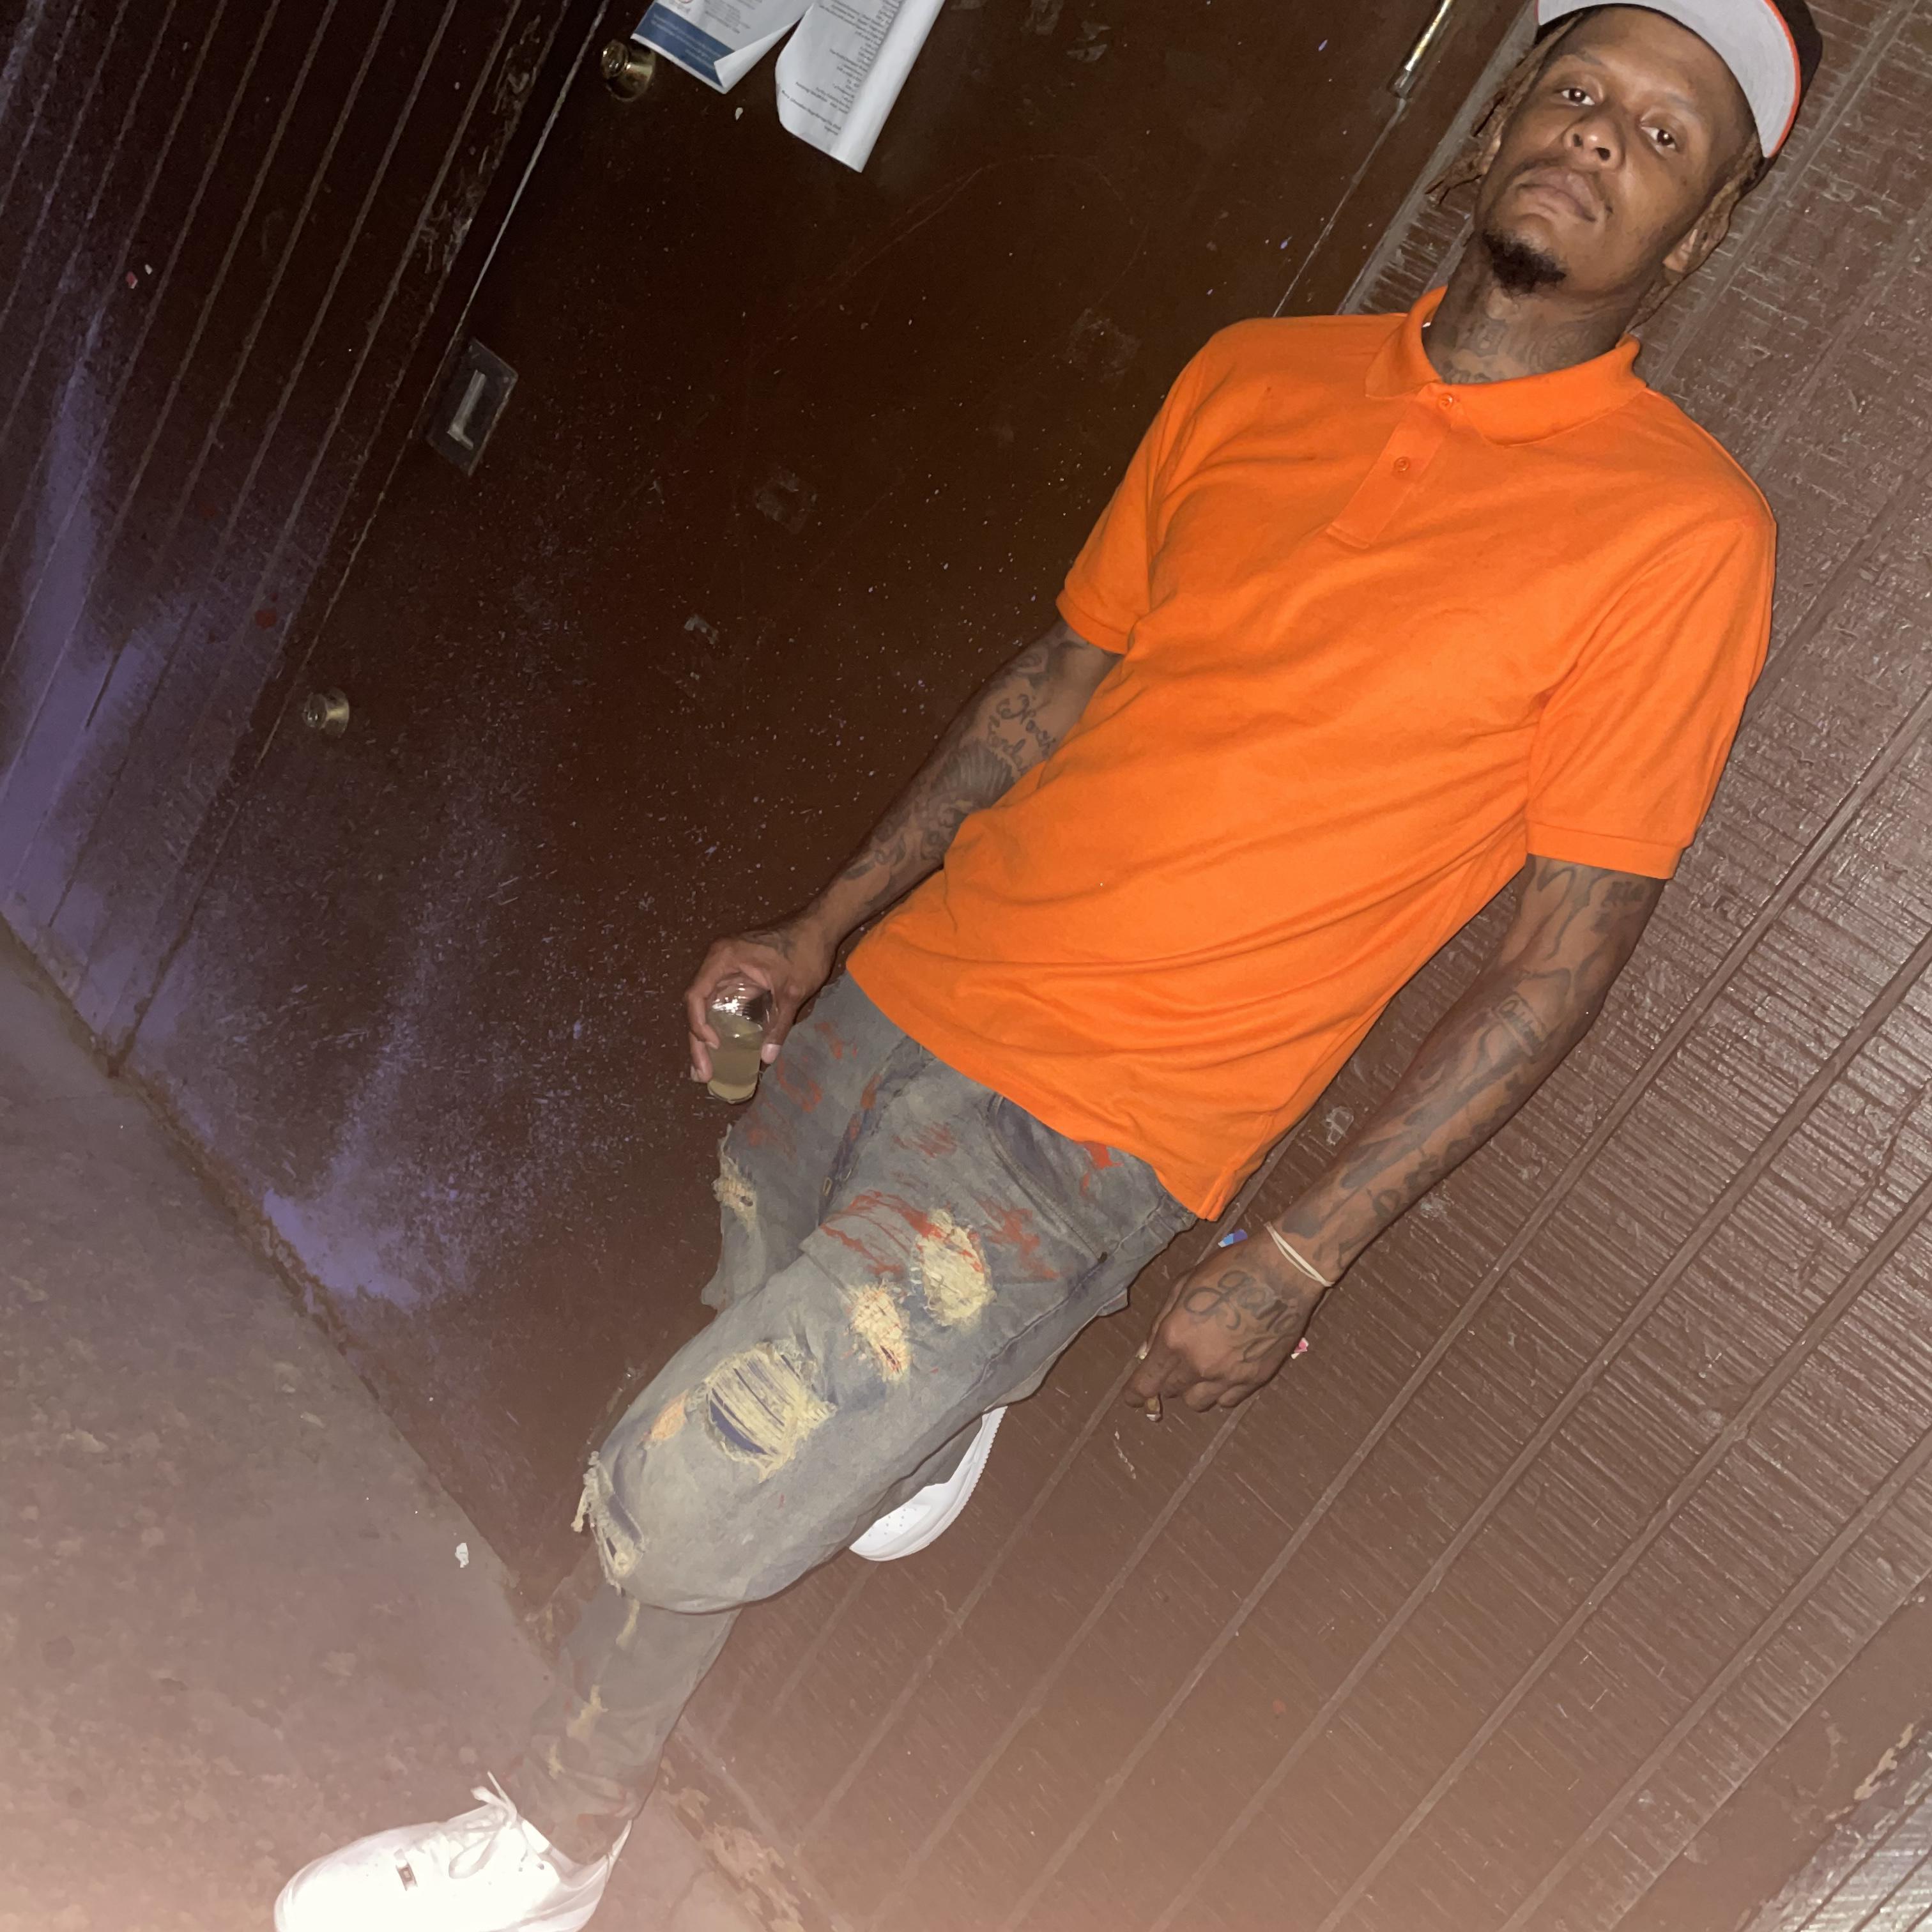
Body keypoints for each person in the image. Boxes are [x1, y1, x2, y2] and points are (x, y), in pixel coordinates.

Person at [275, 2, 1823, 1926]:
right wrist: (826, 921)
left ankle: (891, 1448)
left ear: (1701, 228)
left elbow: (1560, 960)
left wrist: (1301, 1251)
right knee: (712, 1441)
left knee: (671, 1491)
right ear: (1511, 112)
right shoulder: (1258, 374)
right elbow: (1064, 678)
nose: (1599, 137)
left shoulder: (1681, 535)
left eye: (1663, 137)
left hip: (1088, 1131)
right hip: (909, 995)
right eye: (1579, 89)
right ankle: (566, 1837)